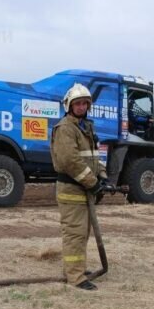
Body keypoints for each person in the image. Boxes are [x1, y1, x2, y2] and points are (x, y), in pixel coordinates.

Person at [50, 83, 110, 291]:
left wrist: (102, 176)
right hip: (72, 190)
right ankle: (75, 277)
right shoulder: (66, 128)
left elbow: (94, 157)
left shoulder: (86, 127)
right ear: (69, 105)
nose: (82, 107)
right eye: (78, 103)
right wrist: (93, 183)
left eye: (85, 103)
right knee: (75, 233)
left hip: (84, 189)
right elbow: (70, 161)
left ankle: (76, 268)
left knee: (83, 233)